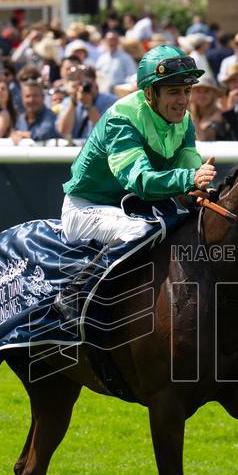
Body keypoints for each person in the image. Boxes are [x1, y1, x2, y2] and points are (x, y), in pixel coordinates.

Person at [55, 45, 215, 317]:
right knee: (137, 232)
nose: (183, 100)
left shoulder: (184, 121)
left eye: (187, 91)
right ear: (150, 93)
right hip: (86, 207)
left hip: (135, 207)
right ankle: (74, 294)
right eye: (174, 91)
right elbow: (139, 181)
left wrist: (202, 184)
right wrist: (191, 178)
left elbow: (188, 161)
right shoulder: (121, 119)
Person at [56, 65, 119, 141]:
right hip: (75, 148)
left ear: (94, 82)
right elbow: (64, 131)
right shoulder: (68, 101)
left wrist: (89, 105)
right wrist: (73, 101)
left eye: (85, 83)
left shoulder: (110, 101)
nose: (82, 88)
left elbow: (106, 131)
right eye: (78, 84)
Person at [11, 78, 59, 143]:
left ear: (43, 97)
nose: (31, 100)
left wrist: (25, 135)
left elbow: (44, 134)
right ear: (22, 99)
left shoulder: (52, 117)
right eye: (27, 96)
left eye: (35, 96)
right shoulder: (21, 119)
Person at [188, 76, 229, 141]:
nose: (202, 95)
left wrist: (193, 119)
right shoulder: (189, 112)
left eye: (206, 91)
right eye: (198, 91)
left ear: (213, 94)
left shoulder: (219, 115)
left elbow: (203, 139)